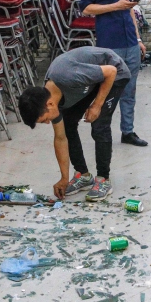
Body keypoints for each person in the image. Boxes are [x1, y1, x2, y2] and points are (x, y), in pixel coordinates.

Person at [18, 47, 130, 201]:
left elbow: (110, 71)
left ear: (50, 104)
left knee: (99, 125)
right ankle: (83, 176)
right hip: (92, 79)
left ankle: (103, 179)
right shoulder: (50, 99)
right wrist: (64, 178)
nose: (48, 122)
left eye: (45, 120)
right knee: (68, 124)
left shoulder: (68, 77)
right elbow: (60, 138)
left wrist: (97, 105)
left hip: (114, 72)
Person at [79, 0, 148, 147]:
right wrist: (114, 6)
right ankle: (101, 134)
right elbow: (85, 8)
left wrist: (138, 38)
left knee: (130, 90)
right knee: (106, 91)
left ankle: (128, 131)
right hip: (110, 42)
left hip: (130, 41)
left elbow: (129, 9)